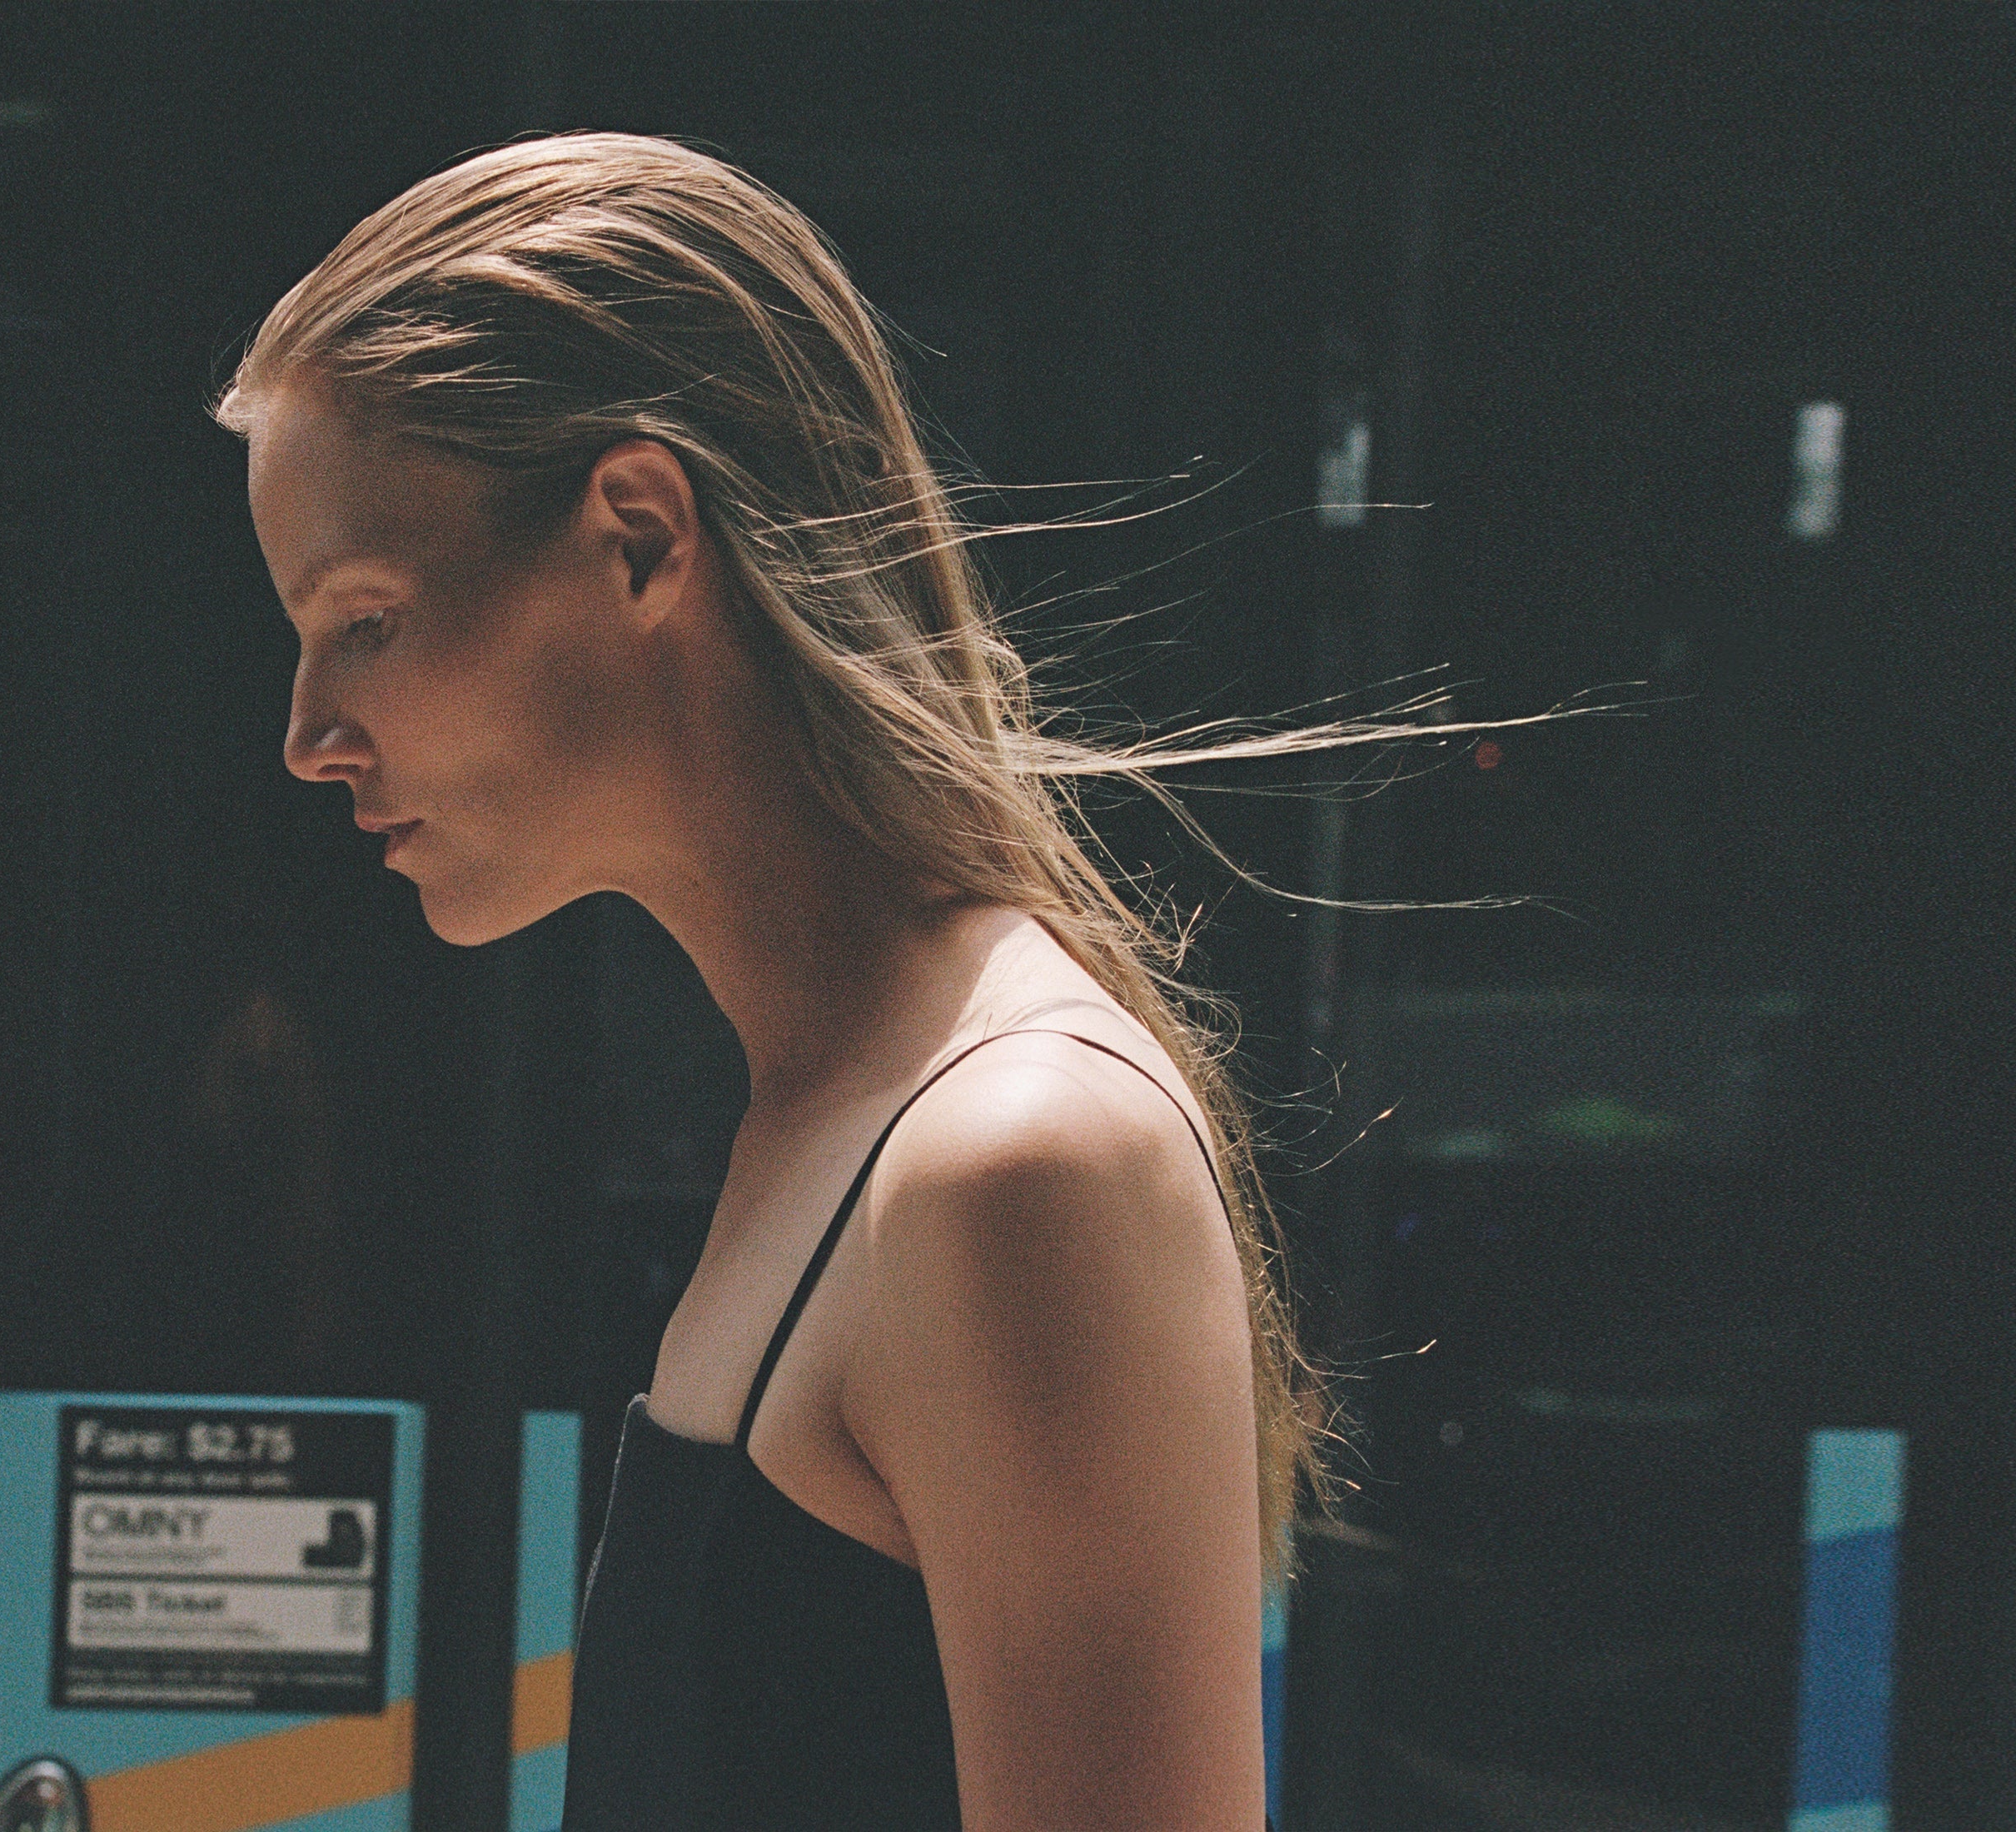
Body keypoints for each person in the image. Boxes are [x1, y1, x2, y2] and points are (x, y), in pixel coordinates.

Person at [213, 131, 1430, 1832]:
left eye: (366, 620)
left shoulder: (1014, 1159)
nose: (308, 736)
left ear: (640, 538)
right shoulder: (835, 1119)